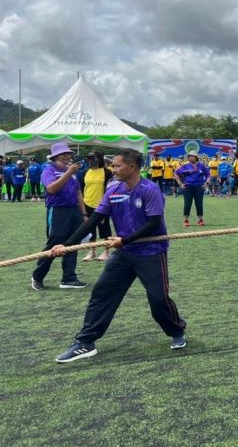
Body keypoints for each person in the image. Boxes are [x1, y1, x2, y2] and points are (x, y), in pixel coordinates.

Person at [53, 149, 187, 363]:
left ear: (131, 167)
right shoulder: (113, 189)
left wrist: (124, 240)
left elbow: (153, 224)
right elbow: (95, 218)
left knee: (158, 299)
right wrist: (68, 244)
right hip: (124, 254)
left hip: (150, 252)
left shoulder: (150, 190)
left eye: (116, 166)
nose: (112, 169)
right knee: (102, 293)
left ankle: (177, 330)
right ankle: (85, 342)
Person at [30, 142, 88, 290]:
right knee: (53, 244)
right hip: (58, 210)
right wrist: (69, 173)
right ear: (55, 157)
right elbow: (51, 189)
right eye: (63, 154)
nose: (67, 156)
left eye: (68, 154)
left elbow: (78, 192)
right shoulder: (49, 170)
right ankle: (37, 276)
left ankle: (69, 278)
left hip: (74, 210)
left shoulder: (73, 171)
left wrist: (84, 213)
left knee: (73, 243)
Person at [79, 151, 114, 262]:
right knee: (90, 229)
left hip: (102, 204)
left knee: (104, 228)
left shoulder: (107, 172)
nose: (89, 160)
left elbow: (109, 189)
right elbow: (81, 188)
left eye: (92, 158)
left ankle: (106, 251)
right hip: (87, 203)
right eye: (88, 158)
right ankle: (92, 251)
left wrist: (106, 203)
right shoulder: (85, 172)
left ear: (99, 159)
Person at [175, 151, 210, 227]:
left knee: (199, 203)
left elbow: (208, 174)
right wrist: (180, 183)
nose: (191, 157)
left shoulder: (201, 166)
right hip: (187, 187)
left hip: (199, 187)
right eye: (189, 156)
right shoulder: (185, 166)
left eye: (193, 156)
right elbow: (176, 173)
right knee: (187, 203)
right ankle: (186, 220)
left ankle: (200, 220)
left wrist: (206, 183)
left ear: (196, 157)